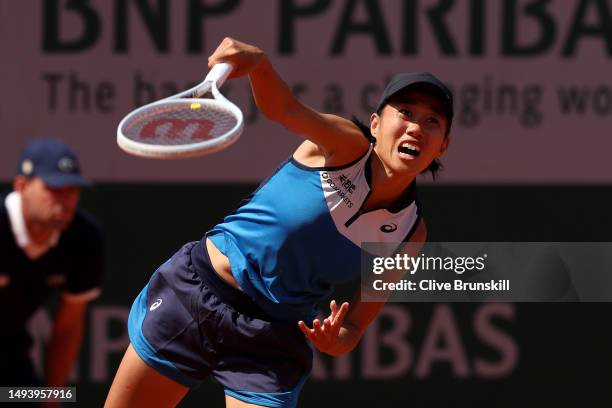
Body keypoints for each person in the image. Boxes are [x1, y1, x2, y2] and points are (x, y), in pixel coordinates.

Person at [105, 37, 452, 408]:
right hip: (196, 294)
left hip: (270, 340)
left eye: (432, 121)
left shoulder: (409, 233)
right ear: (376, 123)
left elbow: (355, 327)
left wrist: (338, 340)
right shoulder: (342, 145)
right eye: (405, 112)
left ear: (442, 145)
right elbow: (283, 108)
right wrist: (259, 65)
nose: (416, 127)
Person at [0, 138, 105, 388]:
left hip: (9, 350)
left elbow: (68, 327)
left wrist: (52, 395)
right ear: (21, 186)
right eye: (54, 189)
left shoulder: (85, 238)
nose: (65, 200)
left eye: (73, 190)